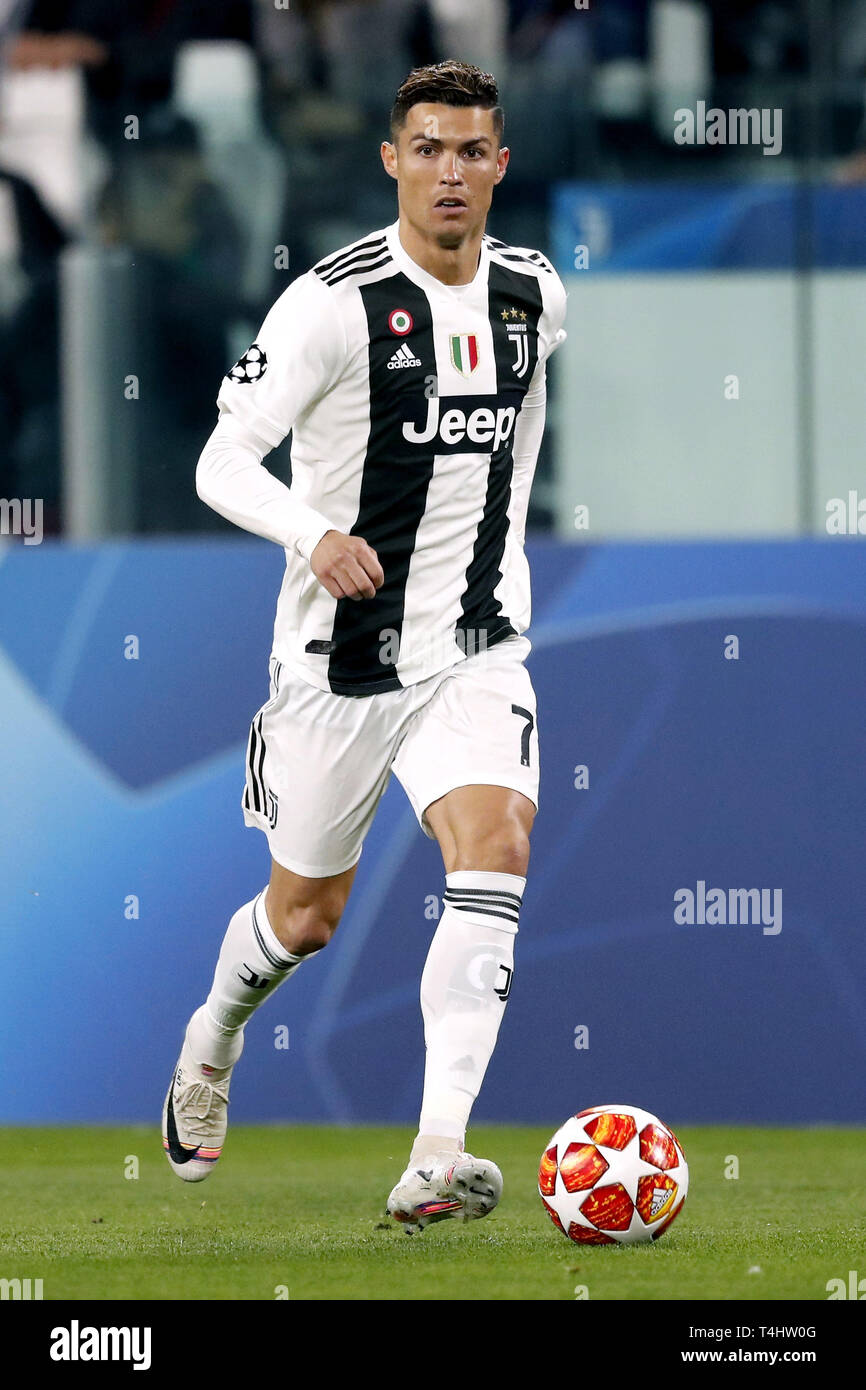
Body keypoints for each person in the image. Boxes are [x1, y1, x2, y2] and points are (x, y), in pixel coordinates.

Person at [162, 58, 567, 1234]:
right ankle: (210, 1037)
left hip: (473, 649)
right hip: (337, 666)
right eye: (427, 148)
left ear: (499, 164)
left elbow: (516, 435)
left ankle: (434, 1154)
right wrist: (313, 529)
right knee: (307, 918)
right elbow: (219, 460)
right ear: (391, 159)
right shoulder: (330, 303)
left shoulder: (536, 297)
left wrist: (492, 569)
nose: (450, 170)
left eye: (471, 150)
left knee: (495, 843)